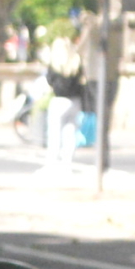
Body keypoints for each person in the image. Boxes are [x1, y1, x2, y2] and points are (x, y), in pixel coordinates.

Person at [41, 35, 86, 172]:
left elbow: (49, 81)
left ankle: (52, 163)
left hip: (59, 100)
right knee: (70, 133)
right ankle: (67, 163)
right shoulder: (76, 62)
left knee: (54, 134)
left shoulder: (55, 63)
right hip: (75, 101)